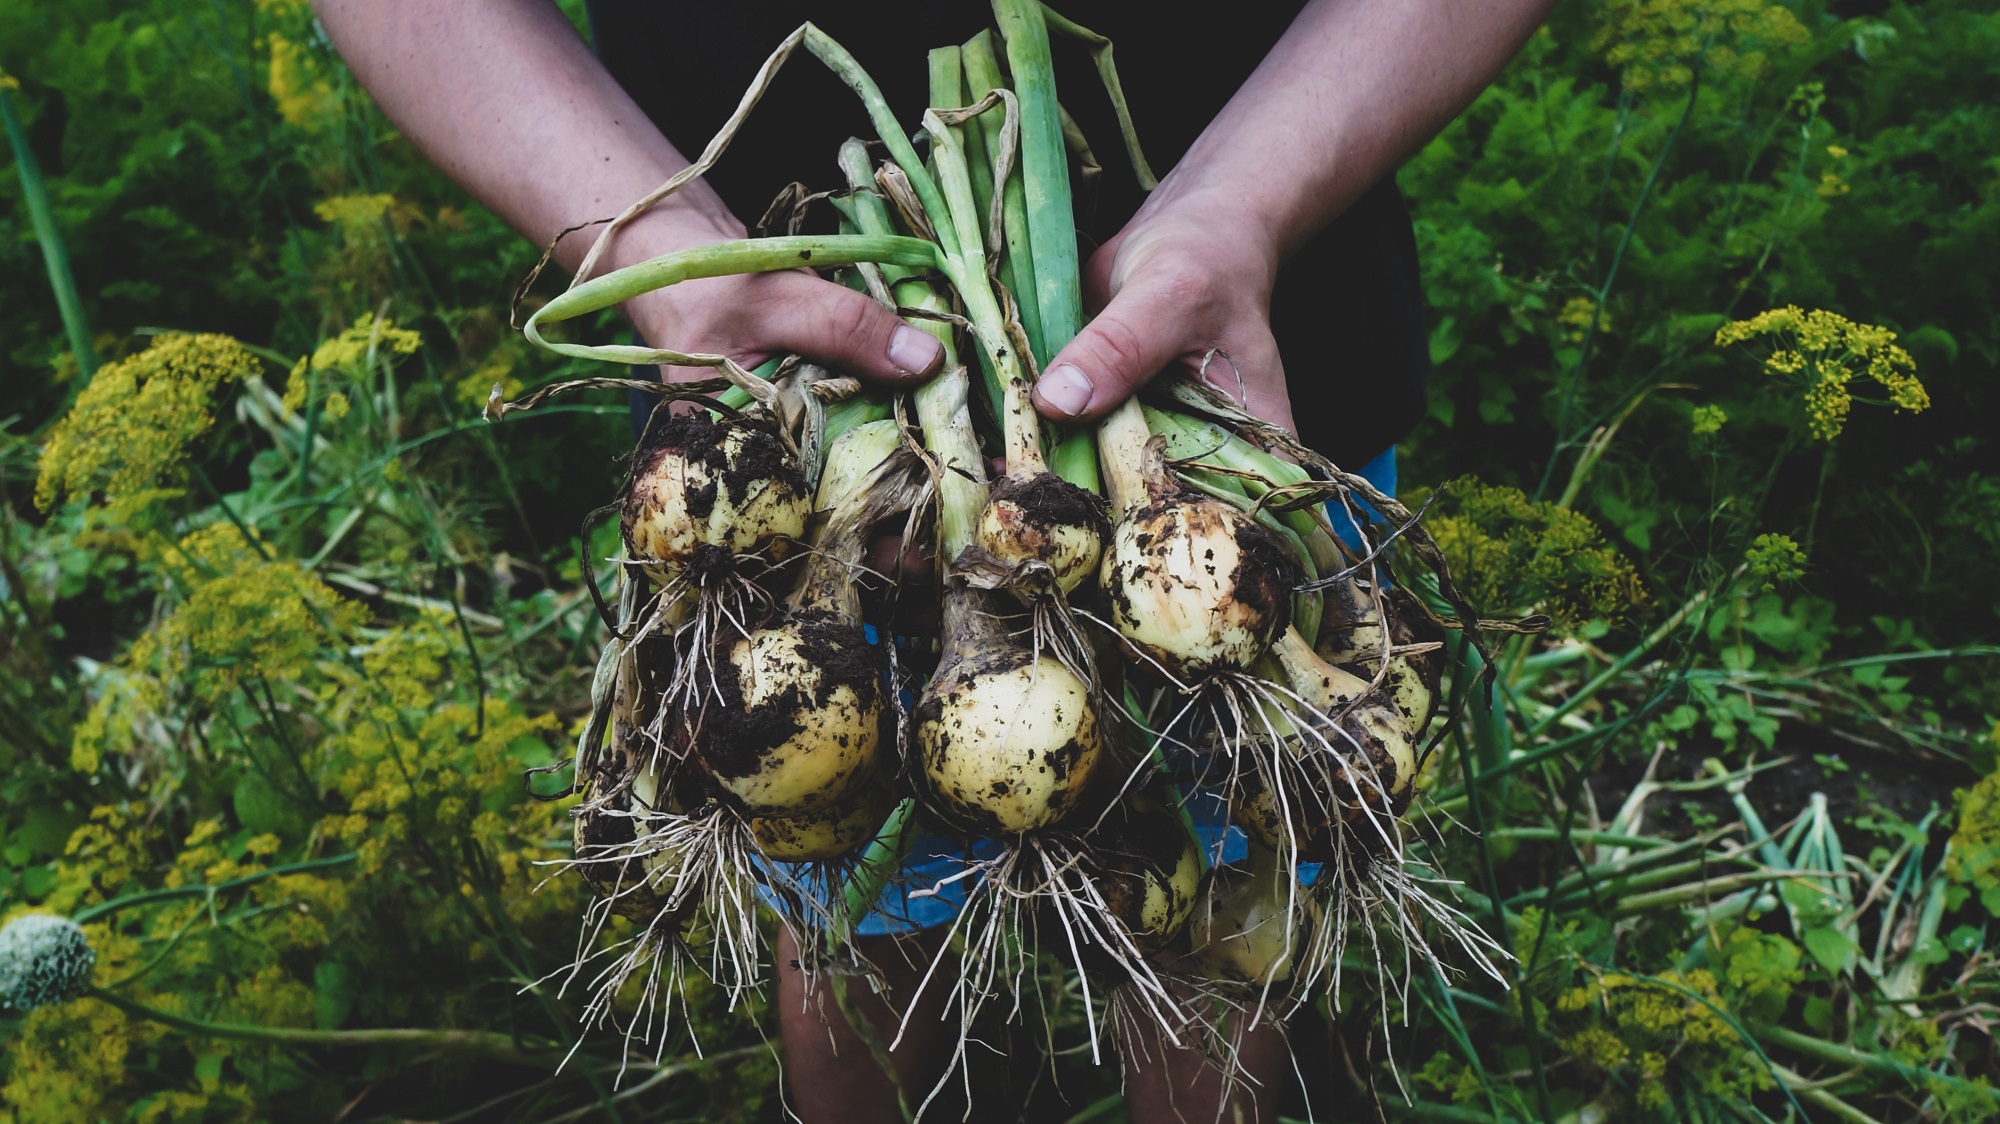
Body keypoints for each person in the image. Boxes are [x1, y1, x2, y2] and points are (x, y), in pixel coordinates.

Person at [313, 2, 1552, 1120]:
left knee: (1225, 913)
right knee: (834, 873)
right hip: (776, 407)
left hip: (1233, 353)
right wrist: (664, 241)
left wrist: (1247, 200)